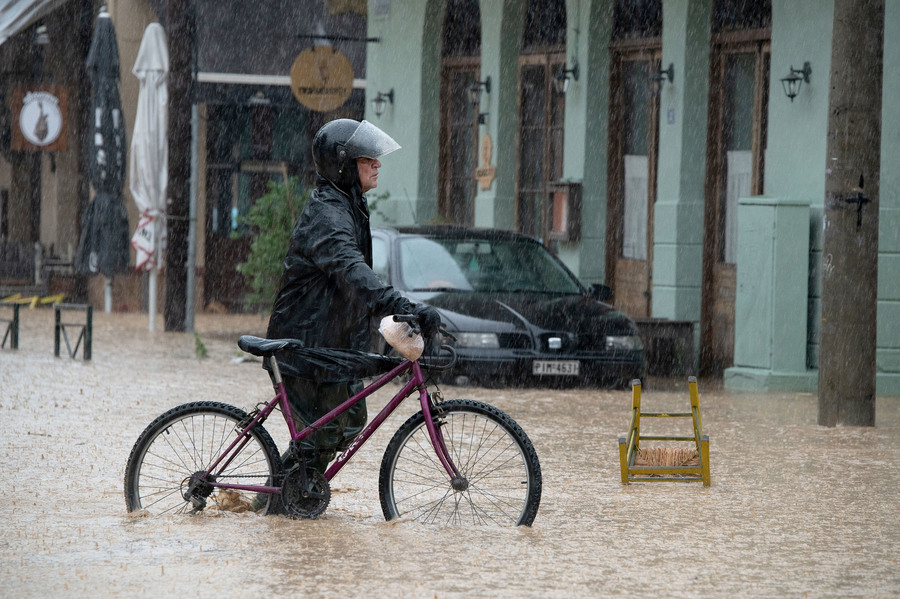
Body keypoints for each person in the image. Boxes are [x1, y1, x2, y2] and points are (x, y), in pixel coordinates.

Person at [265, 118, 441, 478]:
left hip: (332, 343)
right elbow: (354, 274)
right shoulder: (329, 215)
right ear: (343, 165)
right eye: (367, 159)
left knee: (348, 420)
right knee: (325, 431)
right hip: (305, 344)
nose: (377, 164)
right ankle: (280, 506)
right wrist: (403, 306)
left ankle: (292, 498)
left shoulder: (348, 203)